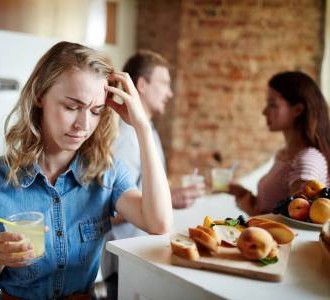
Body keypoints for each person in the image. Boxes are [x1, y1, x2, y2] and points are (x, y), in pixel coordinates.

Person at [0, 41, 172, 300]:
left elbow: (158, 223)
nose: (83, 124)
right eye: (71, 107)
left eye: (96, 111)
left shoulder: (106, 172)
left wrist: (142, 127)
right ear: (40, 96)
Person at [100, 50, 204, 297]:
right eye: (164, 84)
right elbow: (105, 210)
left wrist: (169, 193)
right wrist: (170, 199)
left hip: (140, 257)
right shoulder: (126, 138)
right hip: (125, 262)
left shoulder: (147, 132)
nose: (170, 93)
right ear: (142, 85)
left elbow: (143, 186)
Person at [229, 71, 330, 216]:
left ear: (297, 109)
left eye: (272, 104)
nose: (264, 111)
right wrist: (243, 194)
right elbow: (275, 207)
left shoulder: (307, 160)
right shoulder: (284, 154)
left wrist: (251, 211)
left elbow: (296, 223)